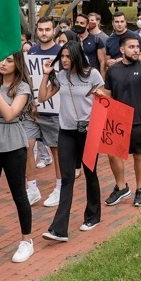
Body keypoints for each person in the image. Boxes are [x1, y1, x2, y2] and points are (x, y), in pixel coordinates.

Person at [38, 41, 104, 241]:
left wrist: (100, 95)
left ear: (76, 56)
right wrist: (46, 74)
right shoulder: (60, 76)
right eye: (62, 56)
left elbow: (105, 97)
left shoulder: (92, 74)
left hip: (89, 131)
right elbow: (42, 97)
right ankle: (59, 229)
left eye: (68, 56)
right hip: (66, 131)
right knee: (67, 178)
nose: (64, 60)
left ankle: (93, 216)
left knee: (90, 173)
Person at [0, 52, 35, 267]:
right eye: (2, 58)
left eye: (9, 60)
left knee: (19, 194)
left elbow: (10, 114)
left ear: (18, 63)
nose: (3, 63)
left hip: (13, 144)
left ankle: (27, 240)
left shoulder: (22, 88)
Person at [101, 35, 141, 207]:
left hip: (139, 121)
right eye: (131, 47)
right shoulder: (113, 71)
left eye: (137, 47)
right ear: (122, 49)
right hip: (117, 121)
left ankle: (140, 190)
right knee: (112, 154)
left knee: (138, 156)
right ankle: (121, 187)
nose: (135, 50)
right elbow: (108, 95)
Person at [25, 18, 62, 208]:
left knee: (57, 152)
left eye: (48, 29)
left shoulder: (61, 53)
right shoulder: (31, 51)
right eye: (40, 29)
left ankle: (60, 188)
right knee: (26, 146)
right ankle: (31, 189)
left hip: (55, 112)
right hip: (34, 110)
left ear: (54, 30)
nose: (44, 33)